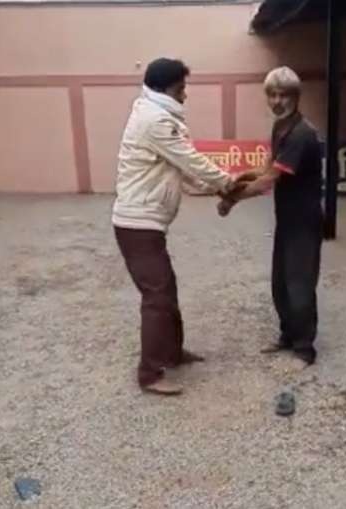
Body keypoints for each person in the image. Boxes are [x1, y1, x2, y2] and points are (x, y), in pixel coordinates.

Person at [112, 58, 245, 396]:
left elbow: (182, 172)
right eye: (181, 89)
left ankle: (172, 353)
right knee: (156, 296)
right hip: (137, 224)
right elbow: (191, 160)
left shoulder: (155, 114)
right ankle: (149, 374)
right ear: (166, 89)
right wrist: (227, 183)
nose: (185, 95)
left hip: (146, 223)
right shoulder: (155, 120)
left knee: (166, 289)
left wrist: (218, 188)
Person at [217, 66, 323, 366]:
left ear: (296, 96)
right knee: (281, 282)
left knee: (299, 283)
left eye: (284, 95)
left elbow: (269, 180)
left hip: (304, 220)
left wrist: (232, 199)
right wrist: (238, 177)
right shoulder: (281, 127)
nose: (277, 101)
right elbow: (266, 168)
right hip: (287, 218)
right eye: (272, 95)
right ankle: (288, 335)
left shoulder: (302, 134)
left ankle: (305, 348)